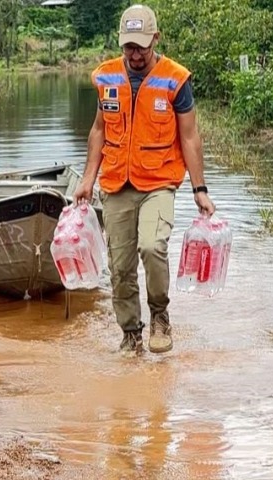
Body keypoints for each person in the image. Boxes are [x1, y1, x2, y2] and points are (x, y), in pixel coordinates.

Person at [73, 4, 216, 357]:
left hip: (159, 183)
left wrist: (200, 189)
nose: (135, 54)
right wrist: (87, 179)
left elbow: (190, 137)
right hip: (116, 184)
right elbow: (98, 131)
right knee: (120, 268)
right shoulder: (106, 78)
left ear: (155, 38)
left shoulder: (175, 79)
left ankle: (160, 316)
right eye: (128, 47)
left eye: (141, 46)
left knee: (152, 247)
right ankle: (131, 335)